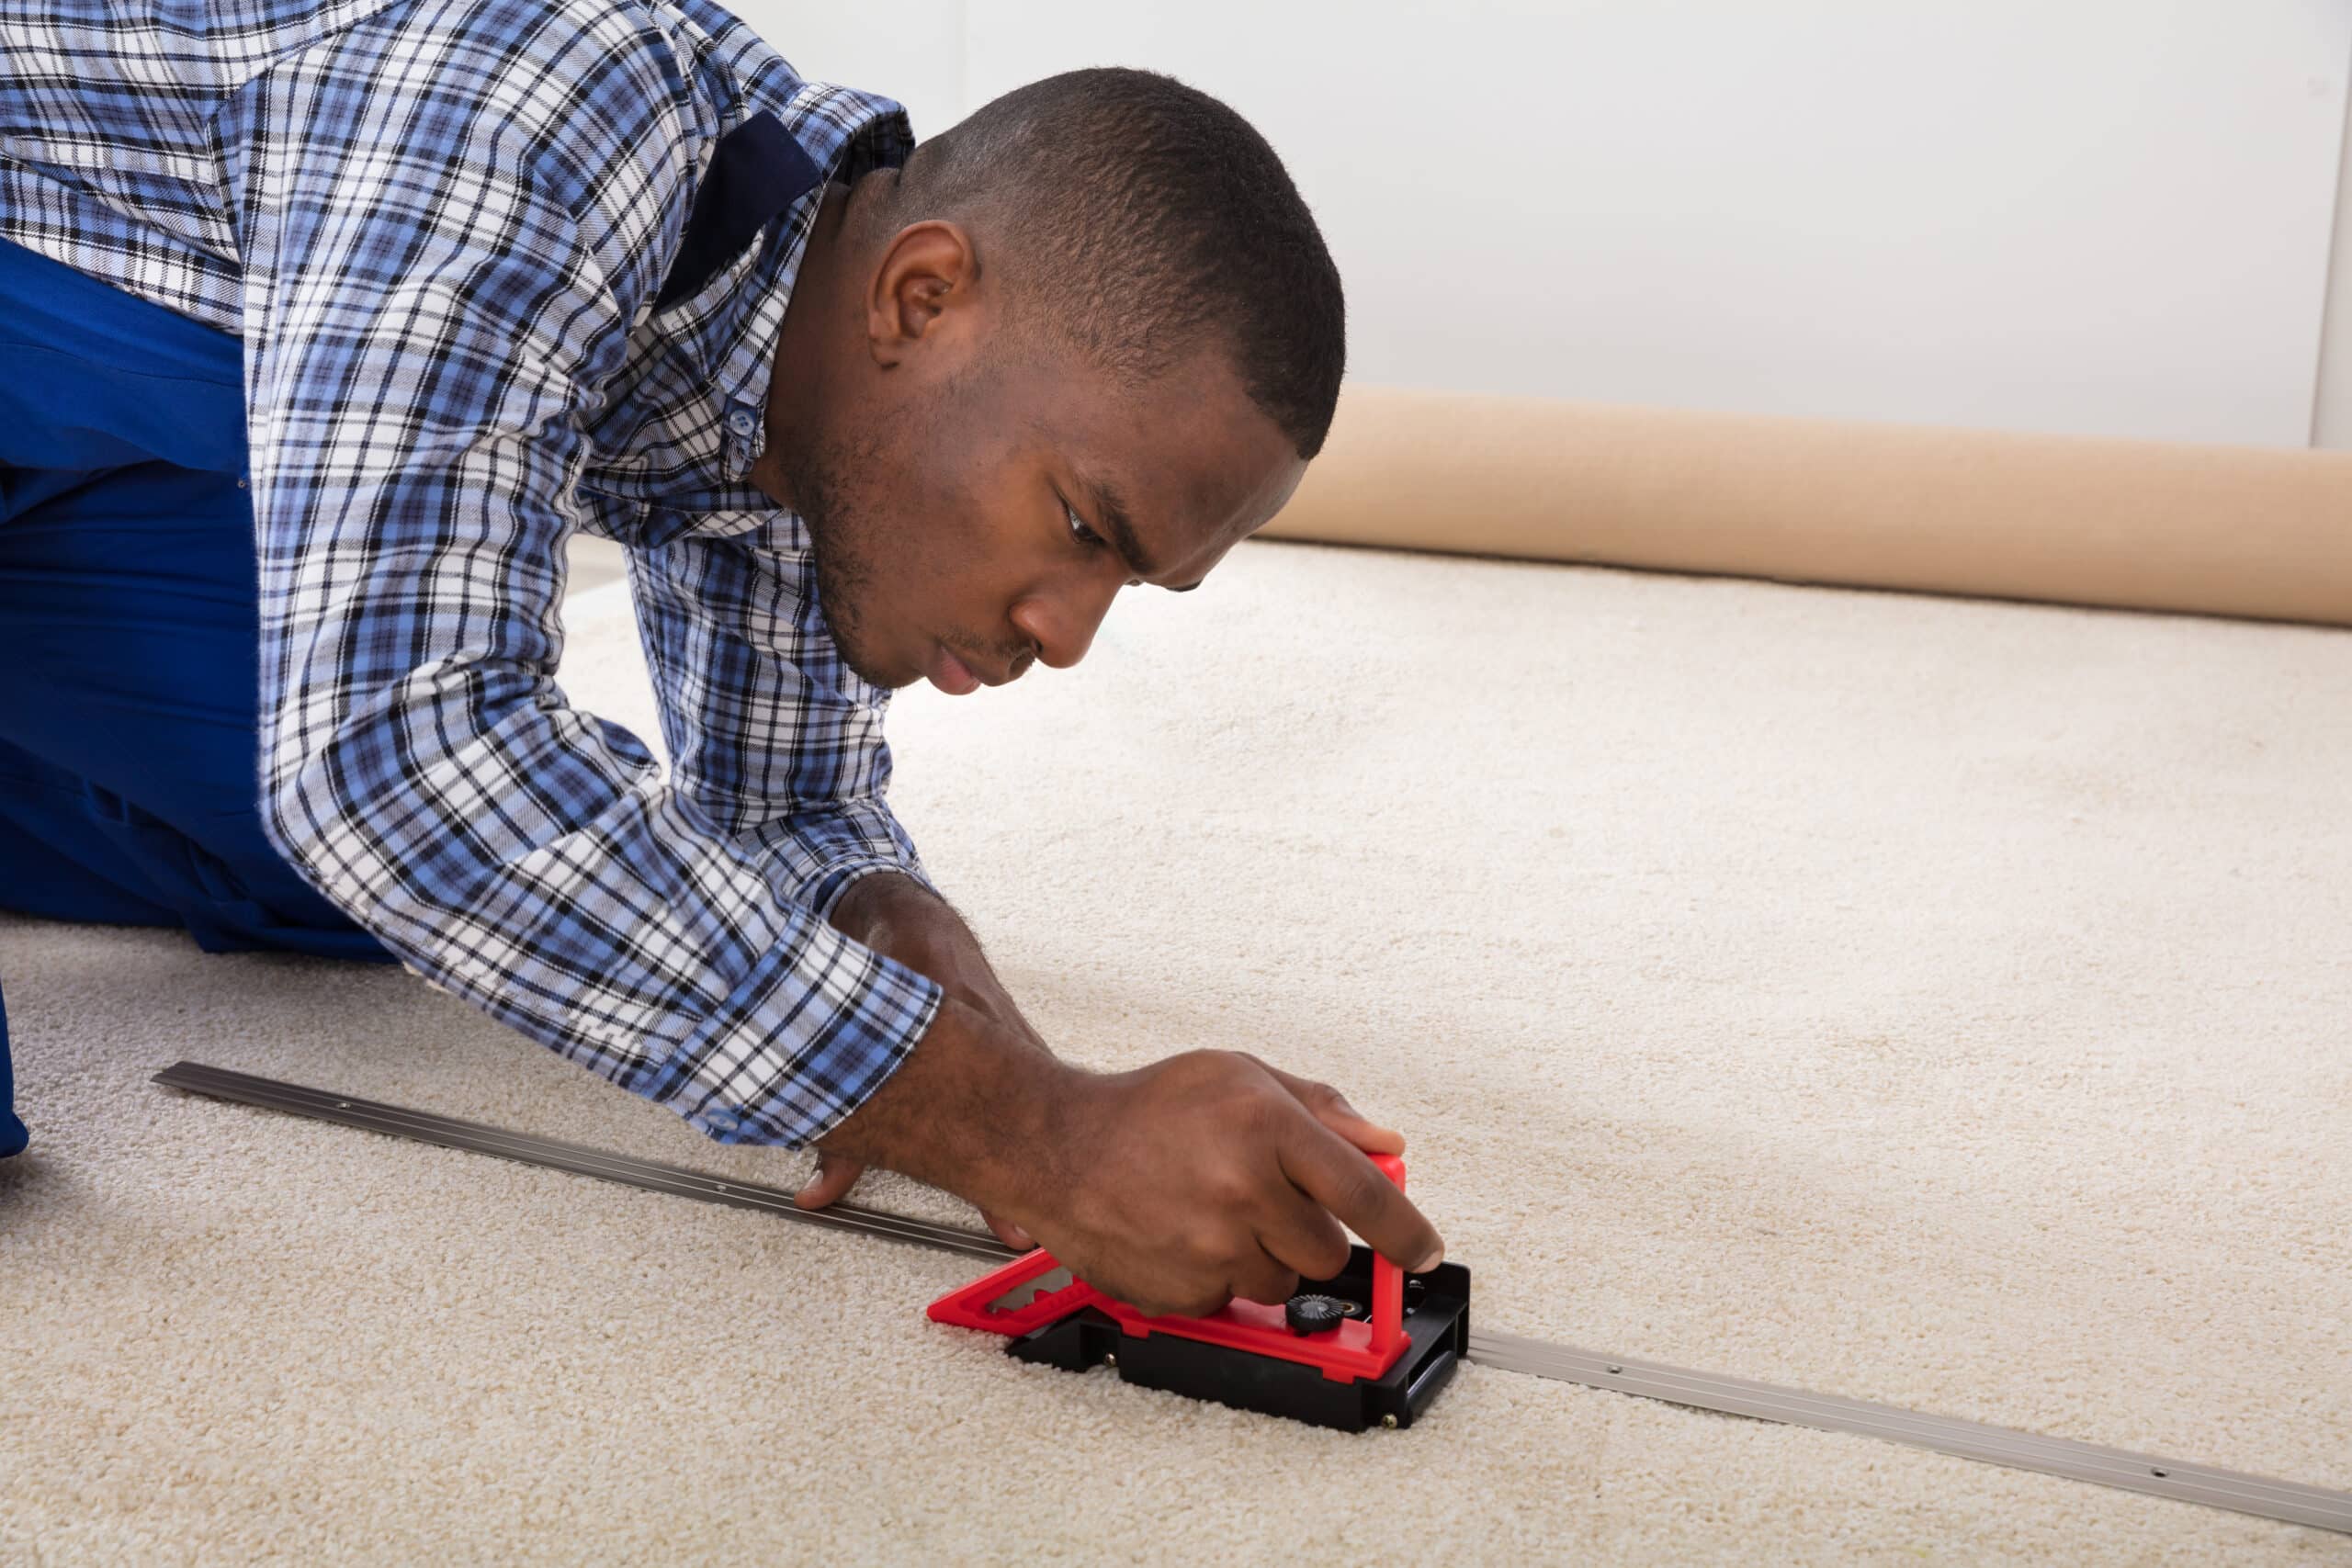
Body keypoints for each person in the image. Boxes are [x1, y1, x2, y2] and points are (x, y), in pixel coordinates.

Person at [0, 0, 1442, 1314]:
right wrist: (1029, 1131)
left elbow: (779, 813)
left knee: (343, 879)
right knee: (393, 807)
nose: (1066, 634)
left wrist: (882, 920)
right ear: (922, 298)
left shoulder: (800, 340)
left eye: (1134, 584)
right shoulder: (523, 108)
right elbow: (393, 761)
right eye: (1082, 525)